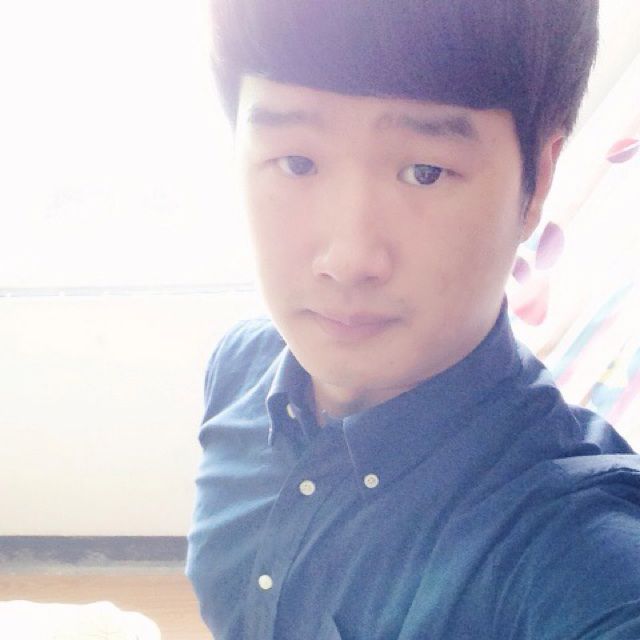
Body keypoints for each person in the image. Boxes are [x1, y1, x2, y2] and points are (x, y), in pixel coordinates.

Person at [186, 1, 640, 638]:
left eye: (424, 172)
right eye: (297, 162)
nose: (348, 260)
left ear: (537, 182)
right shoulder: (241, 368)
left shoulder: (572, 550)